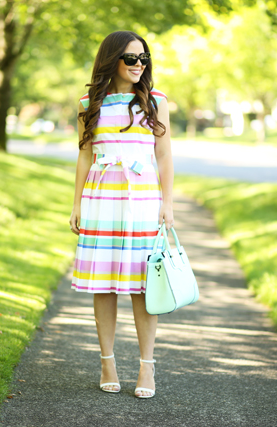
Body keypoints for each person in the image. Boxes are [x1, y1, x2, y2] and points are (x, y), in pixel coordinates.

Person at [69, 30, 174, 399]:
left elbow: (163, 157)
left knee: (143, 286)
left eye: (143, 59)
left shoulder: (155, 101)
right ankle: (107, 362)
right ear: (112, 59)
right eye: (131, 58)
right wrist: (77, 202)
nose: (138, 65)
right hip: (102, 199)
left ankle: (147, 367)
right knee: (104, 283)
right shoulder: (88, 102)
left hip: (143, 199)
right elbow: (84, 154)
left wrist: (168, 204)